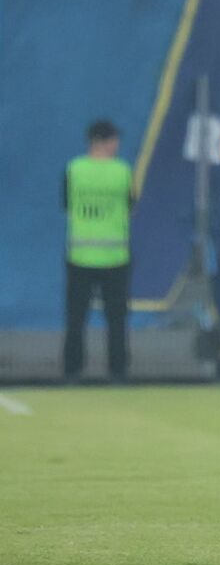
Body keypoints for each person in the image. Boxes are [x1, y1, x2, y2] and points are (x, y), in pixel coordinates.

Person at [63, 119, 133, 384]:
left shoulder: (74, 169)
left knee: (75, 318)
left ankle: (72, 372)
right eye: (114, 140)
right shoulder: (122, 171)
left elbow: (66, 204)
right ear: (102, 141)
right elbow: (130, 205)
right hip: (116, 257)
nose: (117, 145)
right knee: (117, 320)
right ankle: (118, 372)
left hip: (79, 256)